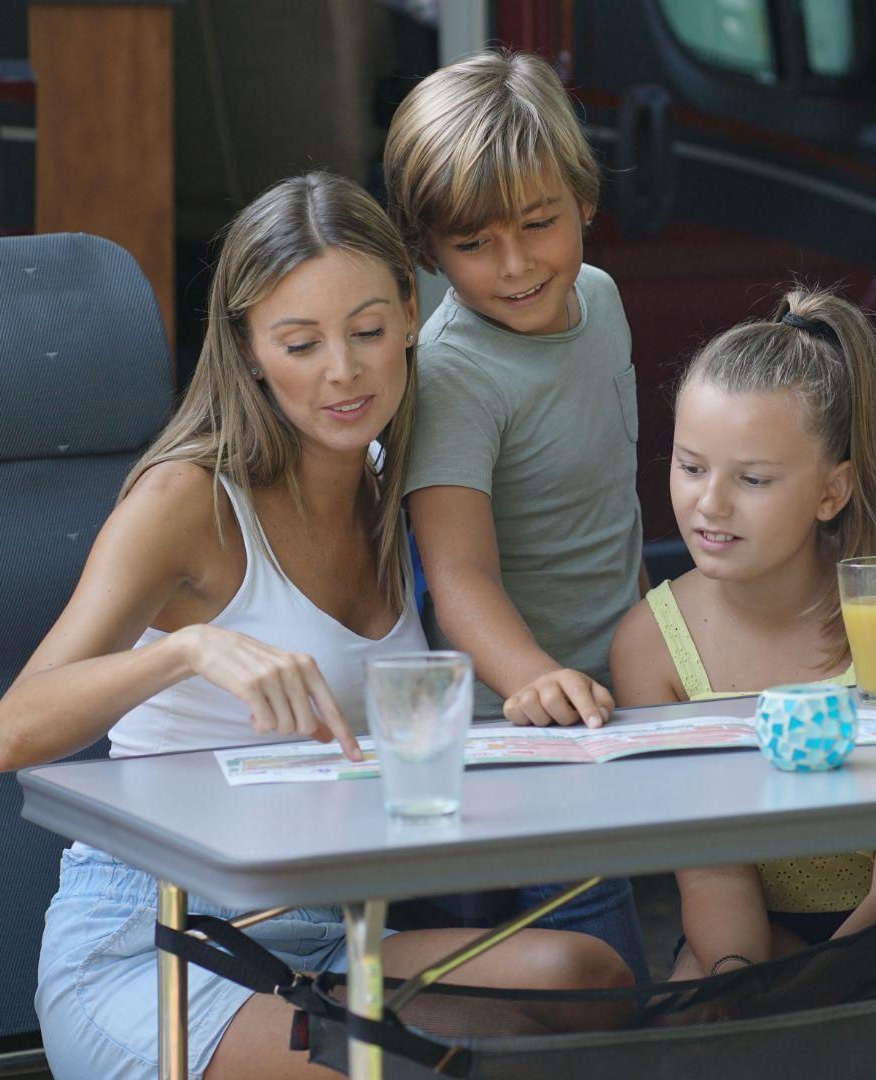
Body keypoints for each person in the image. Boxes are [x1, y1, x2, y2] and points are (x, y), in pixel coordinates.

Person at [0, 172, 633, 1080]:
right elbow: (10, 734)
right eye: (300, 342)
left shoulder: (385, 485)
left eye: (369, 331)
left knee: (588, 978)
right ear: (249, 349)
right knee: (434, 1070)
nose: (344, 370)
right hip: (157, 945)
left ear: (413, 312)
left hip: (328, 940)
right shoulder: (187, 499)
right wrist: (187, 648)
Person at [609, 288, 876, 979]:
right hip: (763, 926)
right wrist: (742, 988)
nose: (710, 503)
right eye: (691, 466)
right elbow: (712, 875)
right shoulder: (652, 645)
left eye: (754, 479)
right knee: (697, 1008)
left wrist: (797, 1010)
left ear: (833, 491)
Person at [382, 48, 650, 979]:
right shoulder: (454, 370)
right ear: (424, 249)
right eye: (472, 244)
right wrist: (533, 680)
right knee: (595, 938)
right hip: (523, 720)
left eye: (538, 223)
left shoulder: (603, 300)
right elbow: (455, 574)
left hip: (622, 693)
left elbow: (609, 502)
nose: (515, 264)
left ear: (585, 198)